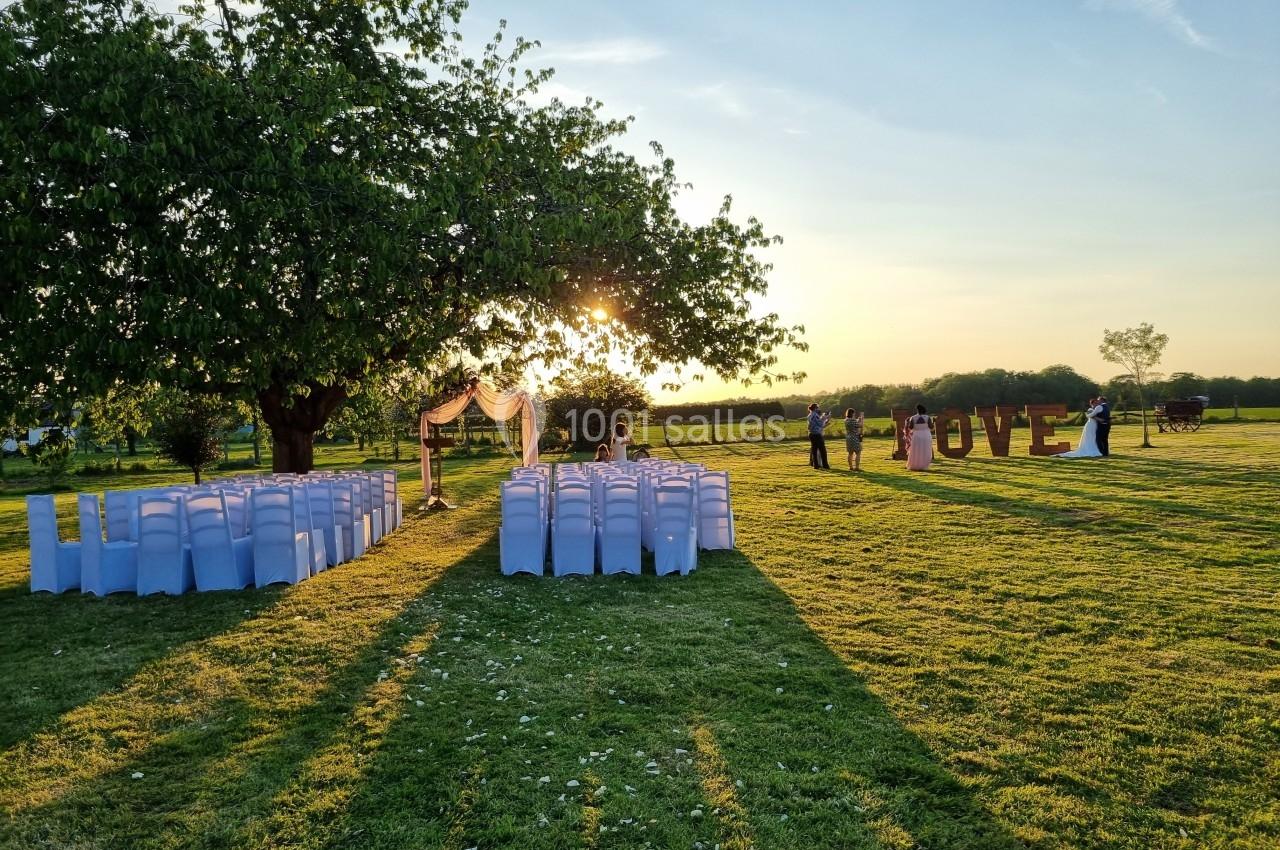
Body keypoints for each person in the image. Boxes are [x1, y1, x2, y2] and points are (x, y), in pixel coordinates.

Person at [905, 404, 933, 471]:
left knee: (916, 450)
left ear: (917, 410)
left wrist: (907, 422)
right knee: (925, 450)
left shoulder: (913, 418)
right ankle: (924, 465)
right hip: (926, 435)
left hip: (916, 435)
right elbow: (931, 427)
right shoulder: (927, 417)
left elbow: (910, 427)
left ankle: (915, 465)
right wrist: (933, 422)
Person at [806, 403, 832, 469]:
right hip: (816, 434)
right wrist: (826, 417)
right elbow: (820, 424)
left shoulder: (810, 415)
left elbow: (817, 423)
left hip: (811, 434)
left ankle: (815, 465)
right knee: (822, 450)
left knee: (814, 450)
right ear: (815, 408)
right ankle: (825, 465)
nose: (819, 409)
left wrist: (825, 419)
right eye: (818, 407)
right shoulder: (815, 415)